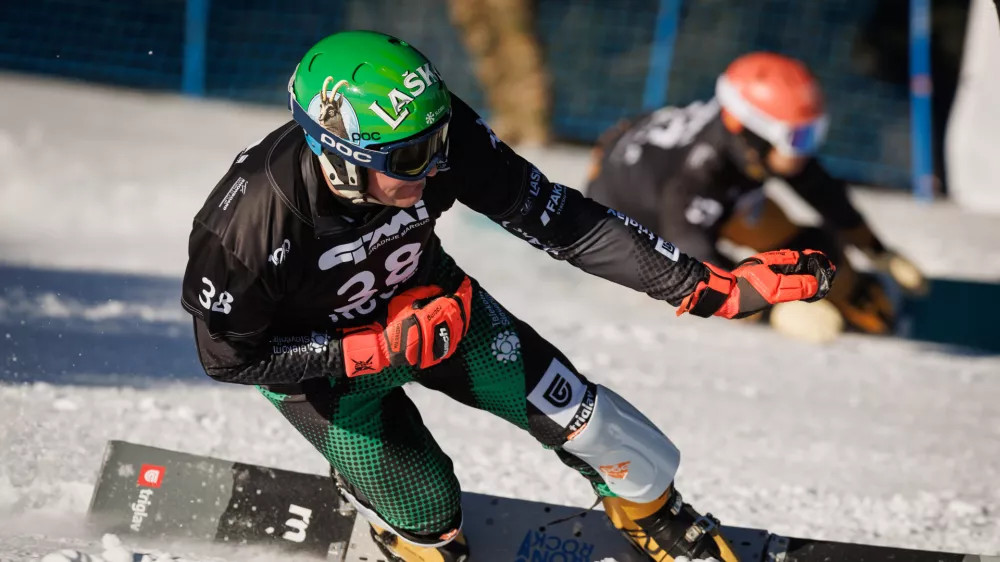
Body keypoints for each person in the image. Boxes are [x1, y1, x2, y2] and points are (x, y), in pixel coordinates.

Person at [181, 32, 835, 562]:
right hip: (326, 372)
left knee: (609, 435)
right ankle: (395, 519)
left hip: (439, 310)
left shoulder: (437, 137)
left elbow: (563, 222)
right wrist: (367, 350)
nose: (434, 165)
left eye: (438, 142)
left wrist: (709, 288)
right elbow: (228, 357)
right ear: (337, 154)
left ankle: (655, 520)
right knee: (431, 524)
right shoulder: (247, 226)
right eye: (408, 158)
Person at [586, 52, 926, 343]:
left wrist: (875, 248)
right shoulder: (697, 175)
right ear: (751, 132)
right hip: (628, 207)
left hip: (663, 164)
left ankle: (849, 293)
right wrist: (771, 310)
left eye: (814, 132)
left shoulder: (744, 144)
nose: (806, 150)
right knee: (707, 267)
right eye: (798, 137)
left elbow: (818, 187)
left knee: (801, 247)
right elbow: (693, 260)